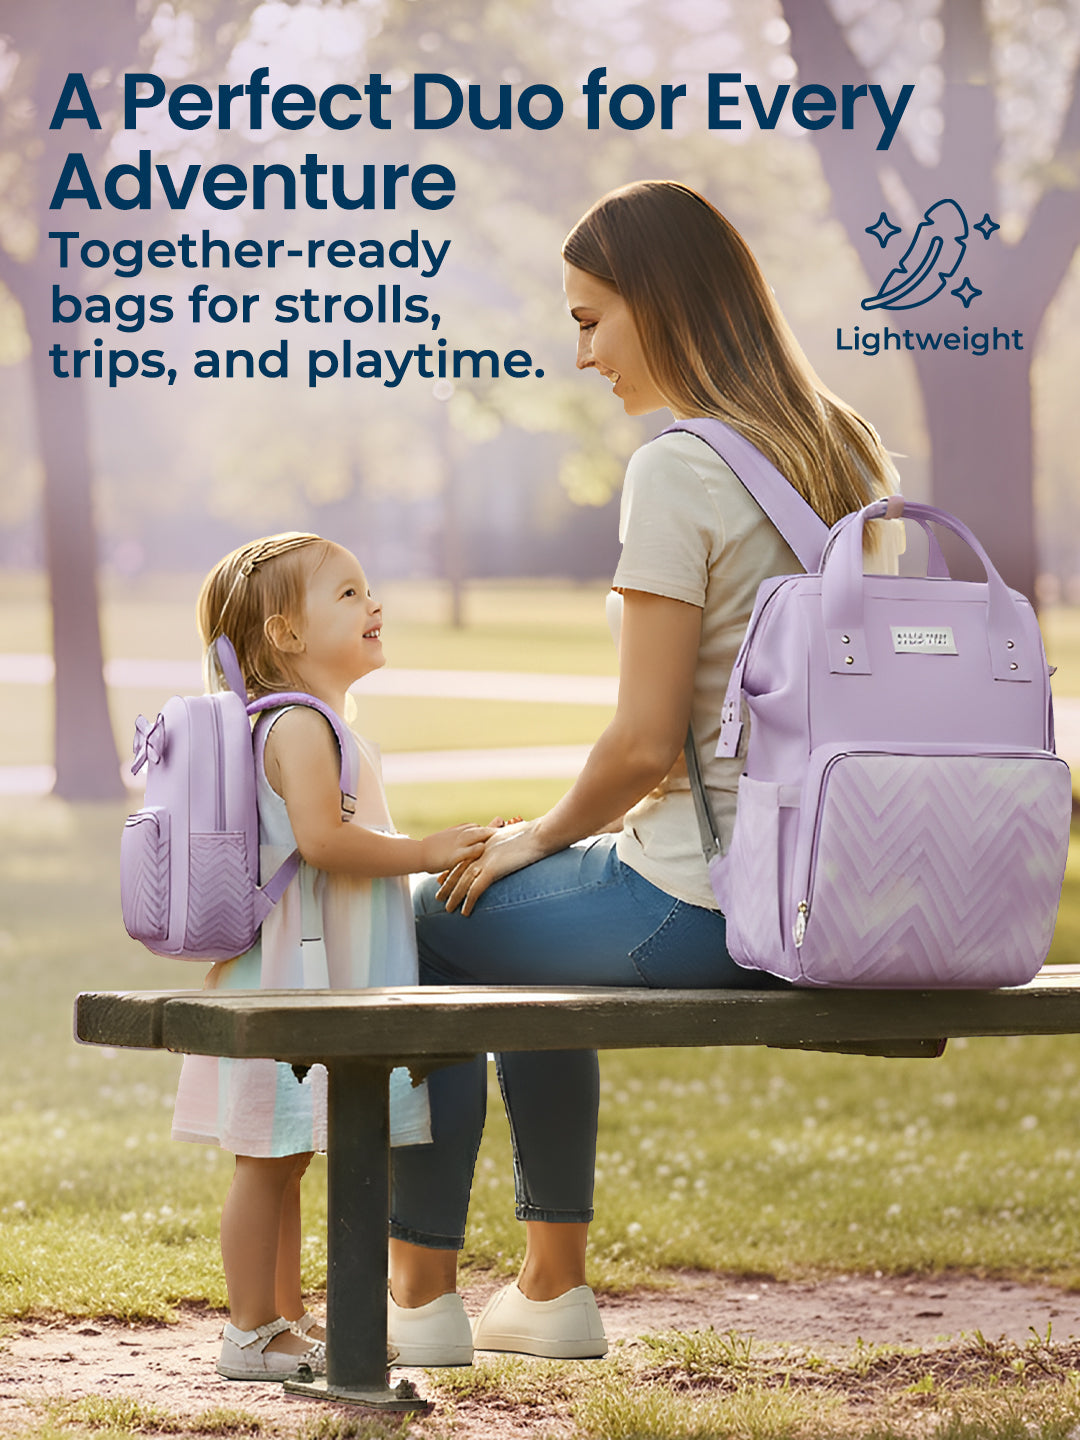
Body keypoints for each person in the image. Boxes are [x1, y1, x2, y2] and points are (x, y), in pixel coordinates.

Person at [386, 180, 902, 1367]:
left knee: (432, 919)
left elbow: (643, 742)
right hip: (841, 897)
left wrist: (533, 837)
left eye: (590, 319)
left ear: (660, 305)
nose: (581, 354)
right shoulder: (846, 448)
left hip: (713, 910)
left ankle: (419, 1300)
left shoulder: (678, 467)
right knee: (522, 935)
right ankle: (545, 1289)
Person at [171, 532, 492, 1381]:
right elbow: (321, 841)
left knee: (284, 1154)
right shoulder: (301, 724)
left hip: (297, 972)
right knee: (268, 1160)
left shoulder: (301, 722)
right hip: (293, 980)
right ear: (285, 635)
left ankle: (283, 1320)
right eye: (347, 594)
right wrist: (424, 852)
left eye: (367, 587)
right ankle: (248, 1329)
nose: (373, 602)